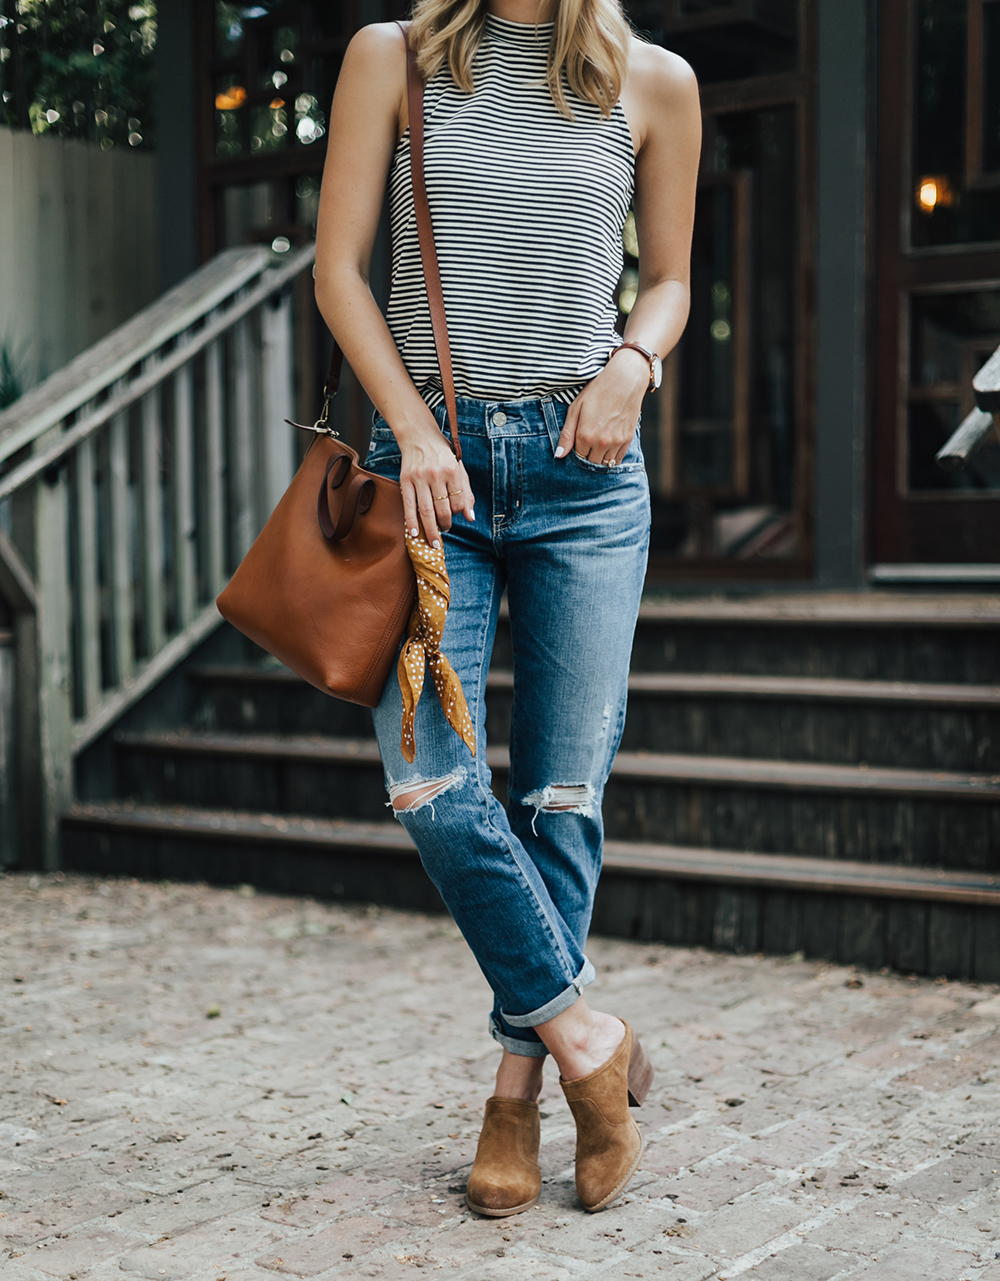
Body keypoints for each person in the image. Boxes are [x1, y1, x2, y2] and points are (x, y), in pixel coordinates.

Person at [315, 0, 700, 1217]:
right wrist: (417, 428)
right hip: (434, 477)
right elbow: (337, 270)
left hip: (587, 473)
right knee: (430, 777)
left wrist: (634, 364)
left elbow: (675, 281)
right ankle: (589, 1036)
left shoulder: (654, 81)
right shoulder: (394, 58)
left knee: (564, 789)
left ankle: (515, 1093)